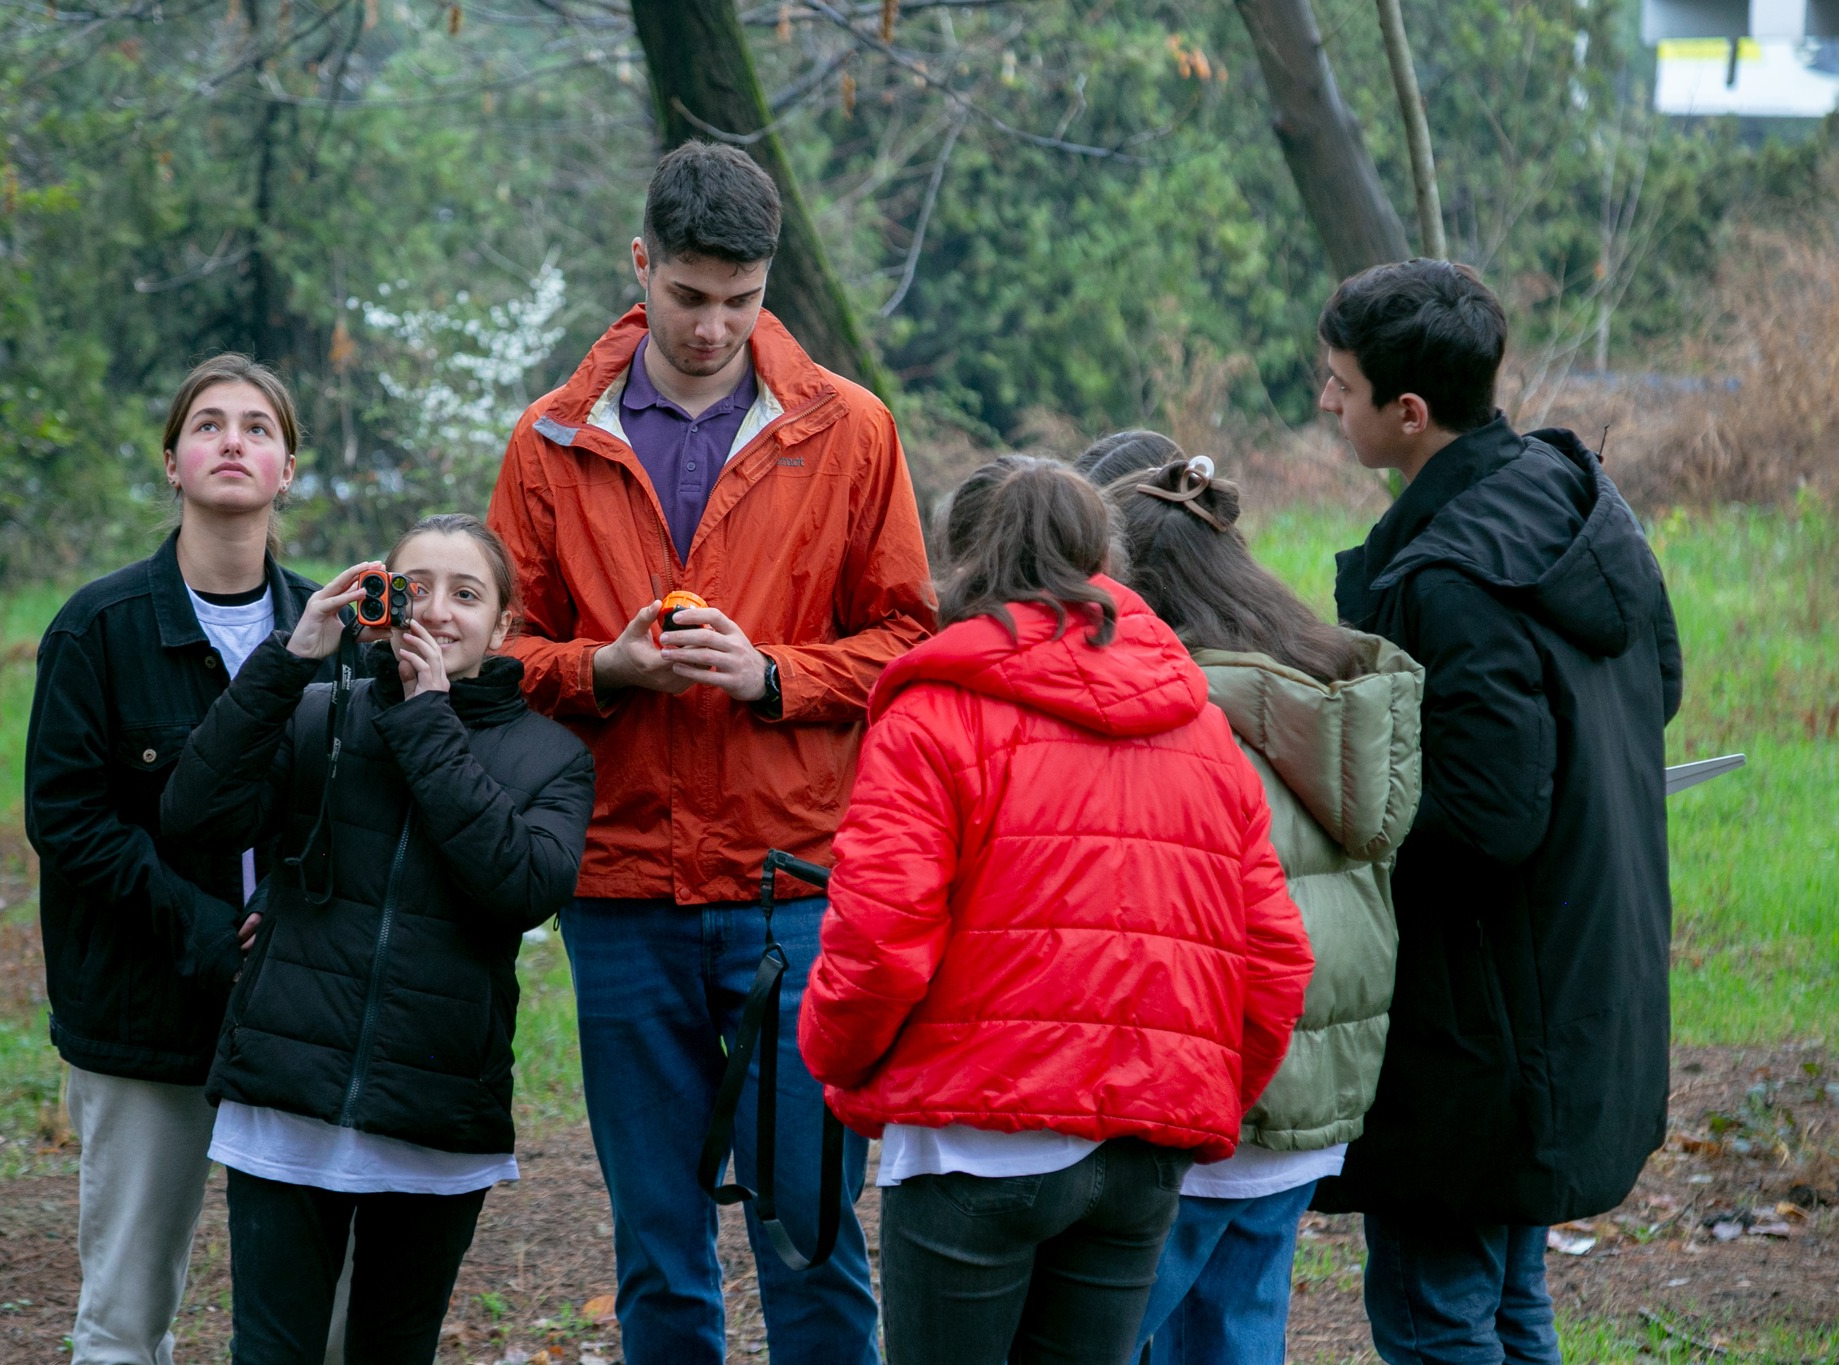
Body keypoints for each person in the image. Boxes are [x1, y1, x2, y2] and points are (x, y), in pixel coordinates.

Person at [484, 141, 934, 1364]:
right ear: (640, 265)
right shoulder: (550, 440)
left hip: (793, 889)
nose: (711, 326)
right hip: (619, 888)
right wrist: (603, 670)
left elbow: (907, 642)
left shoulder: (851, 429)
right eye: (687, 296)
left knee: (812, 1233)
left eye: (740, 300)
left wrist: (774, 675)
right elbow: (497, 652)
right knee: (656, 1245)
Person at [797, 456, 1316, 1365]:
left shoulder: (932, 716)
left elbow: (878, 940)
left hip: (972, 1140)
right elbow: (1275, 957)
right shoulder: (1201, 727)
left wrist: (835, 1064)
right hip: (1142, 1143)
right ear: (1104, 558)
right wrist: (1194, 1089)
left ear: (962, 560)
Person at [1311, 260, 1682, 1364]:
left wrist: (1331, 800)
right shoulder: (1570, 501)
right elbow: (1655, 687)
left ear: (1408, 411)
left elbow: (1486, 816)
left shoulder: (1449, 576)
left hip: (1480, 1022)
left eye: (1339, 384)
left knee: (1436, 1316)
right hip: (1569, 976)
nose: (1325, 401)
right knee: (1510, 1299)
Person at [160, 514, 594, 1364]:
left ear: (503, 623)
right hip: (286, 1096)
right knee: (270, 1352)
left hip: (433, 1112)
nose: (436, 611)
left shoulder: (552, 757)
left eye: (466, 594)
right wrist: (290, 659)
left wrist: (428, 720)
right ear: (378, 599)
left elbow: (520, 889)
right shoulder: (318, 712)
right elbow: (194, 814)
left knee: (394, 1351)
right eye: (414, 587)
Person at [1075, 432, 1424, 1365]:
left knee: (1091, 1337)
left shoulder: (1180, 722)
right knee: (1236, 1336)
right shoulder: (1326, 696)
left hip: (1203, 1101)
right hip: (1309, 1106)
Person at [24, 354, 319, 1365]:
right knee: (126, 1313)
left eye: (257, 427)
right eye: (208, 424)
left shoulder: (328, 630)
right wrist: (201, 928)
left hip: (296, 1011)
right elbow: (68, 821)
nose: (232, 441)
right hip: (142, 1008)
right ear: (171, 462)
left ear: (287, 469)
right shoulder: (97, 629)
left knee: (318, 1316)